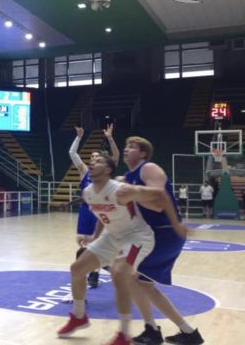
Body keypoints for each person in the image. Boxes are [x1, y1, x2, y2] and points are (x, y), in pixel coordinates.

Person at [57, 154, 176, 345]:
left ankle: (124, 334)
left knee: (120, 273)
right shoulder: (88, 192)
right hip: (111, 237)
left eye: (99, 161)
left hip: (137, 235)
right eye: (92, 161)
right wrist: (95, 237)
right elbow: (101, 214)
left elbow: (159, 194)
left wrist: (176, 225)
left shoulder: (122, 189)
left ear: (108, 170)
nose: (93, 162)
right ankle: (79, 316)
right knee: (76, 269)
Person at [123, 137, 203, 345]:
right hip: (154, 234)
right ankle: (187, 333)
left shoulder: (148, 168)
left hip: (166, 232)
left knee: (130, 276)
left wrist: (130, 193)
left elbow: (158, 203)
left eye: (131, 147)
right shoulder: (129, 176)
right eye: (126, 146)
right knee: (143, 284)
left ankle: (153, 330)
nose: (126, 149)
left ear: (142, 153)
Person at [64, 124, 120, 291]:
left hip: (100, 210)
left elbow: (116, 155)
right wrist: (79, 137)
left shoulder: (105, 172)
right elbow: (72, 153)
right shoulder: (84, 171)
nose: (94, 158)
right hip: (84, 211)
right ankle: (96, 270)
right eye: (92, 156)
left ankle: (98, 271)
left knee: (97, 244)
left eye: (97, 156)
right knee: (84, 244)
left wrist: (109, 137)